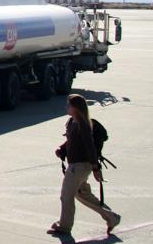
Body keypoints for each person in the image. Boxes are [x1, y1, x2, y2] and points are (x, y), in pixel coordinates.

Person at [50, 94, 121, 236]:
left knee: (66, 196)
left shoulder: (83, 125)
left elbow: (90, 147)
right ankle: (112, 217)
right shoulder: (72, 122)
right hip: (76, 166)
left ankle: (64, 226)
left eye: (68, 105)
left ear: (75, 108)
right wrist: (62, 149)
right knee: (83, 195)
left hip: (80, 166)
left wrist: (96, 168)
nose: (66, 107)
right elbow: (71, 141)